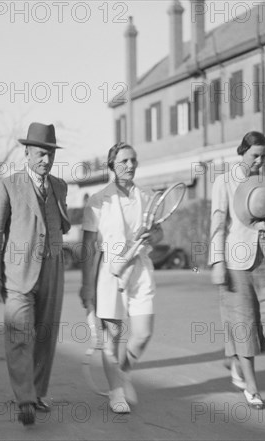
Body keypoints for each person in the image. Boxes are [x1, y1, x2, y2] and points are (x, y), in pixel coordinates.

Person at [0, 122, 70, 425]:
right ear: (27, 152)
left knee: (45, 335)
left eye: (51, 155)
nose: (46, 160)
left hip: (52, 271)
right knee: (20, 334)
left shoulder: (60, 187)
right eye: (41, 154)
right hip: (18, 274)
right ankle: (25, 399)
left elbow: (59, 222)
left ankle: (37, 392)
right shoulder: (7, 185)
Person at [80, 142, 163, 414]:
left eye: (133, 160)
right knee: (112, 337)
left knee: (143, 334)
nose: (130, 165)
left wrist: (153, 236)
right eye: (124, 160)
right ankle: (116, 392)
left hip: (140, 270)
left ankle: (124, 372)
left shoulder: (147, 195)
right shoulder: (97, 201)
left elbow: (159, 232)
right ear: (112, 165)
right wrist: (87, 286)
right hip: (110, 272)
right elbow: (89, 247)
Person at [209, 131, 265, 409]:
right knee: (244, 326)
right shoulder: (223, 181)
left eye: (264, 156)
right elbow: (217, 223)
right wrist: (217, 262)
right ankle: (251, 385)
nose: (260, 160)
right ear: (242, 152)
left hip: (263, 257)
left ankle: (237, 358)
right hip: (233, 260)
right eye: (255, 155)